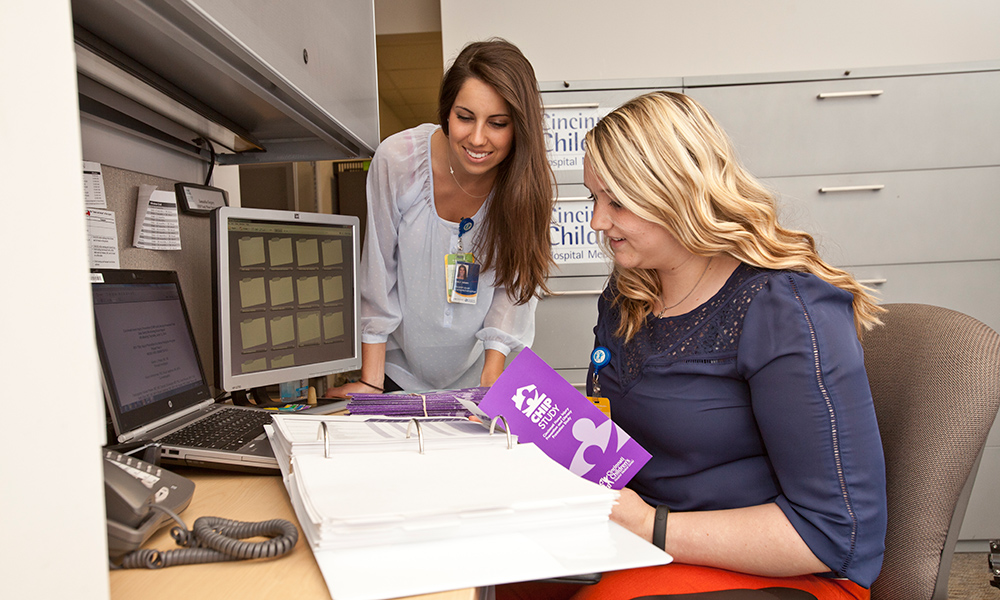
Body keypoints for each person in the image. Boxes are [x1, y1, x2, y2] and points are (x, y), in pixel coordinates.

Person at [500, 91, 887, 600]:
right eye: (594, 198)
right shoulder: (631, 290)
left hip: (786, 574)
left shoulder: (785, 308)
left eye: (616, 200)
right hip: (647, 537)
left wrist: (651, 527)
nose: (597, 221)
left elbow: (834, 533)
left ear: (674, 192)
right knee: (487, 573)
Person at [326, 38, 553, 396]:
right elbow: (377, 272)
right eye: (465, 118)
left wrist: (491, 381)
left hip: (478, 376)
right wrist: (371, 381)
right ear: (447, 112)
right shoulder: (397, 161)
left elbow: (513, 289)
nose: (477, 138)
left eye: (497, 123)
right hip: (396, 372)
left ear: (518, 128)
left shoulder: (525, 183)